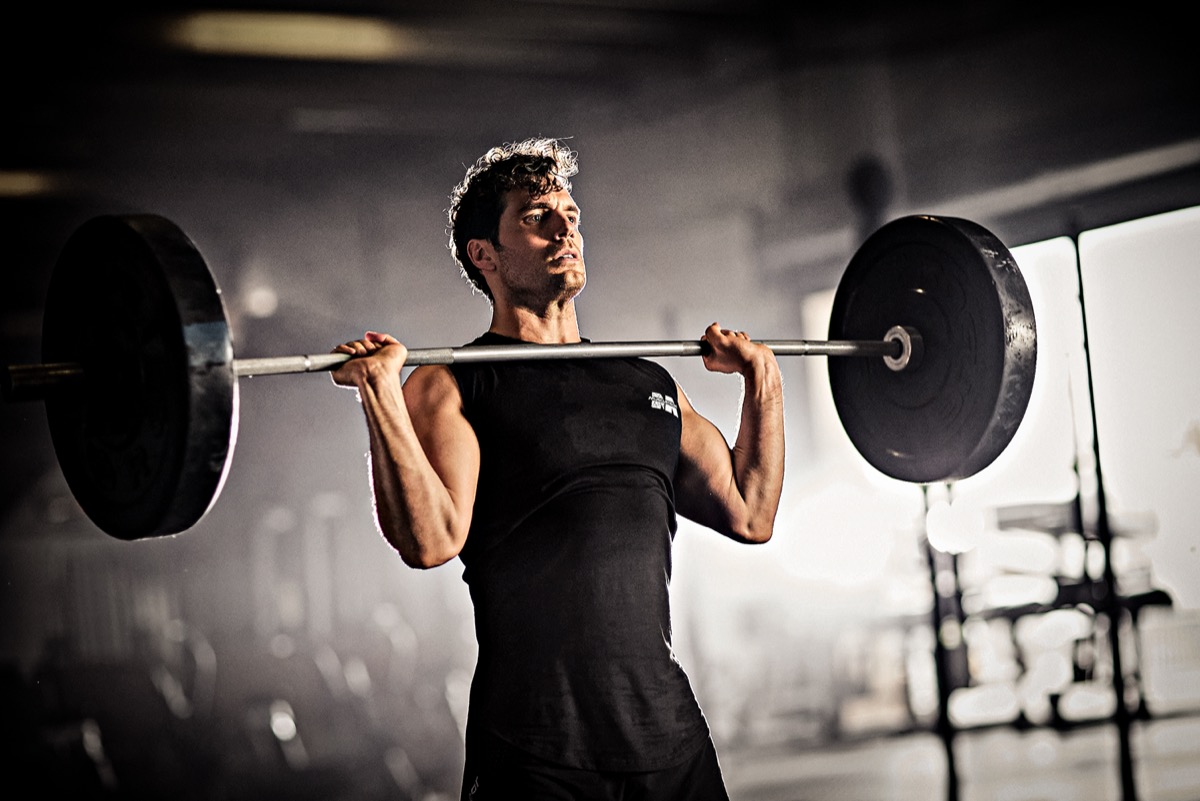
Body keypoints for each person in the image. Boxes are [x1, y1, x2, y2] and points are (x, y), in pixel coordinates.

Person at [331, 137, 785, 800]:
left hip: (669, 740)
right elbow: (430, 540)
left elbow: (752, 513)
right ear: (484, 254)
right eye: (535, 215)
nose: (564, 225)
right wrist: (381, 392)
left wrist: (763, 379)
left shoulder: (646, 381)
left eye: (569, 211)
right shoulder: (456, 384)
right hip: (538, 753)